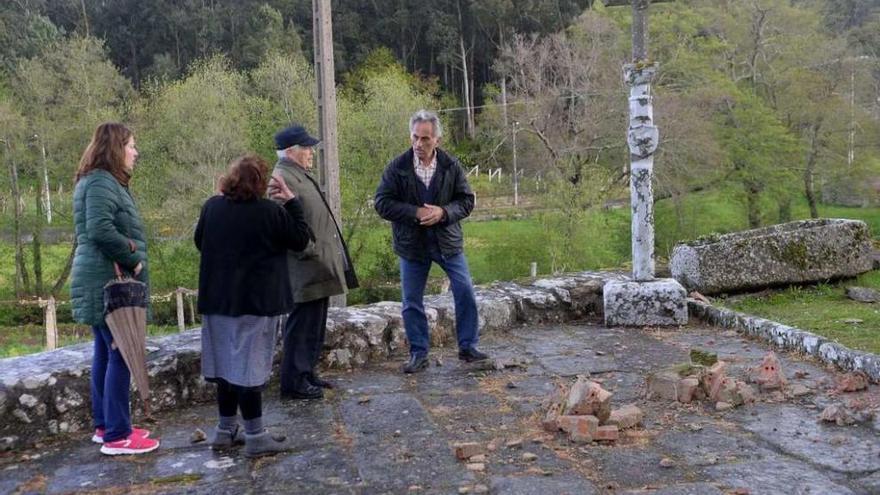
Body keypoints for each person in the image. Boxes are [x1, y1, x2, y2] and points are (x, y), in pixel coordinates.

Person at [195, 154, 311, 457]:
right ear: (261, 183)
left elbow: (199, 241)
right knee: (248, 370)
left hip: (218, 300)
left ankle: (224, 430)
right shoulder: (270, 212)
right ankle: (256, 436)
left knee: (225, 368)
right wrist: (292, 201)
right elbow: (300, 240)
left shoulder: (212, 207)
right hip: (256, 302)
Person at [374, 110, 489, 374]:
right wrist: (414, 213)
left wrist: (443, 213)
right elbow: (382, 203)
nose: (419, 144)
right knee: (411, 301)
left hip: (447, 242)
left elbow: (466, 201)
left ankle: (468, 347)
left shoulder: (451, 166)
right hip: (412, 244)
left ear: (437, 139)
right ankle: (418, 353)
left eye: (425, 139)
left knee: (465, 291)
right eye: (415, 137)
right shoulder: (397, 167)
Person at [71, 122, 160, 455]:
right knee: (122, 352)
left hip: (99, 280)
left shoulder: (97, 182)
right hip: (109, 282)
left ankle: (106, 425)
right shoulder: (101, 183)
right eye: (131, 145)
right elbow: (99, 229)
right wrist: (131, 256)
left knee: (105, 353)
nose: (136, 152)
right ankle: (118, 435)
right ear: (115, 148)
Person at [272, 124, 358, 400]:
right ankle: (294, 382)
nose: (311, 152)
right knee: (301, 325)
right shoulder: (280, 179)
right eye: (306, 148)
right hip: (303, 267)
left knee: (314, 323)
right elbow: (282, 226)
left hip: (316, 266)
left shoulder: (297, 175)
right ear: (290, 151)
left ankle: (307, 373)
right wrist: (307, 250)